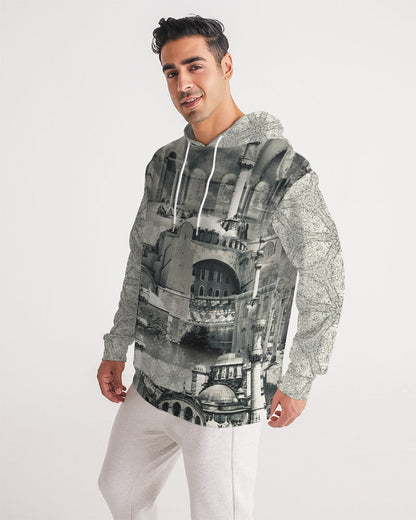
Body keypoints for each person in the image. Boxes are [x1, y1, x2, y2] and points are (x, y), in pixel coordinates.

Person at [97, 15, 345, 520]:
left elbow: (326, 275)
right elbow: (139, 260)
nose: (183, 83)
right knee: (120, 490)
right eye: (171, 72)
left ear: (226, 65)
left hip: (227, 398)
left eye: (195, 66)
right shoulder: (164, 163)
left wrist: (300, 378)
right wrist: (116, 345)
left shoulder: (283, 170)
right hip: (152, 377)